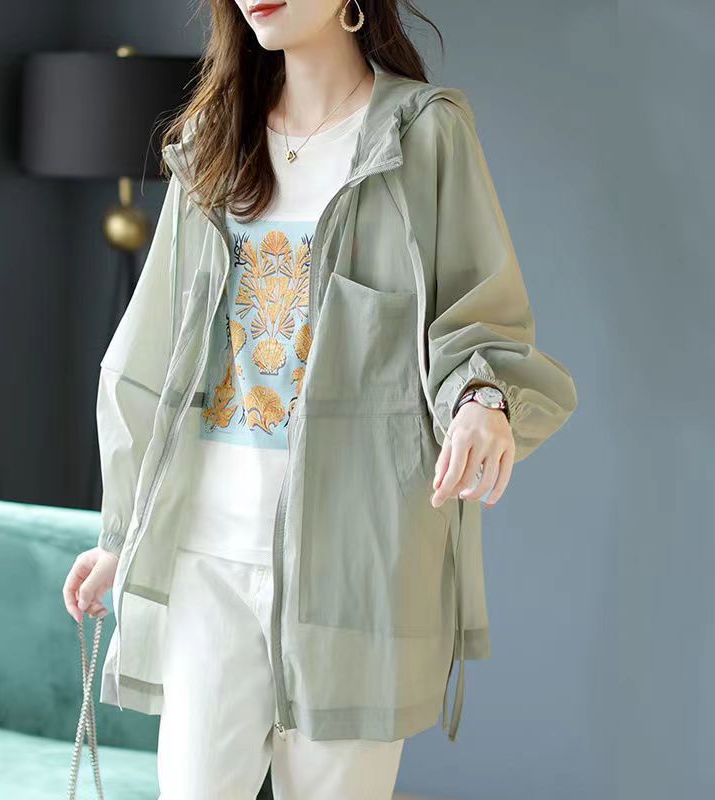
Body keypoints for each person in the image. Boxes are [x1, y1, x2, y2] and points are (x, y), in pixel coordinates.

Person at [63, 1, 578, 797]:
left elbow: (477, 318)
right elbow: (150, 351)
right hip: (207, 559)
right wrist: (123, 533)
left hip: (357, 563)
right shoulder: (213, 143)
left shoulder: (421, 135)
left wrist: (482, 400)